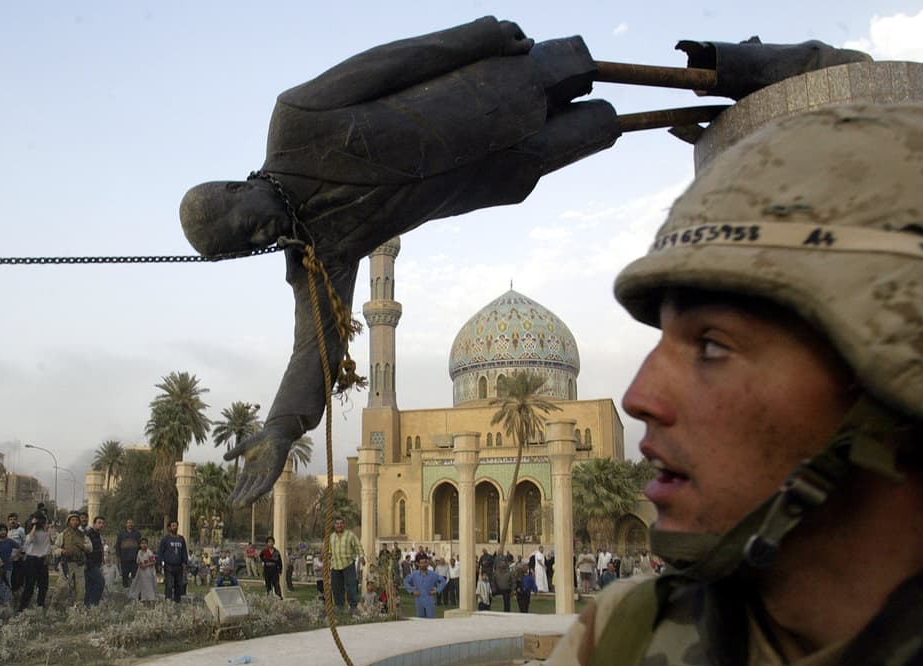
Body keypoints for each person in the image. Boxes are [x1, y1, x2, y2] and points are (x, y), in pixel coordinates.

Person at [487, 103, 923, 666]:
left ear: (901, 394)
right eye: (663, 338)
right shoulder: (621, 645)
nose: (639, 397)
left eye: (712, 345)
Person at [184, 19, 624, 509]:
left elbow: (397, 62)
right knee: (606, 124)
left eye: (249, 224)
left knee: (585, 68)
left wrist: (485, 36)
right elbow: (314, 349)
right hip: (501, 168)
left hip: (483, 92)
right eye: (250, 244)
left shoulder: (295, 120)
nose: (261, 235)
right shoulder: (314, 253)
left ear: (237, 188)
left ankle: (694, 76)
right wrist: (280, 428)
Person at [327, 516, 365, 610]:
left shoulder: (350, 535)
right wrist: (327, 562)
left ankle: (353, 607)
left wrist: (361, 557)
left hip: (348, 564)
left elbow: (358, 546)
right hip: (335, 566)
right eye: (337, 523)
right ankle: (340, 607)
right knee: (337, 588)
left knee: (351, 587)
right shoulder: (331, 537)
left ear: (344, 525)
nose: (339, 525)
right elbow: (329, 551)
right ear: (334, 525)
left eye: (341, 523)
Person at [18, 512, 52, 613]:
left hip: (42, 560)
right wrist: (34, 527)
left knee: (43, 586)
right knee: (29, 585)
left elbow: (48, 547)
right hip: (31, 560)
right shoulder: (30, 534)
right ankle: (22, 607)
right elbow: (29, 540)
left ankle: (40, 606)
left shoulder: (46, 534)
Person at [57, 511, 88, 607]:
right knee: (62, 587)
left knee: (80, 589)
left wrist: (83, 547)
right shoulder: (63, 534)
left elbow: (90, 547)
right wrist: (62, 551)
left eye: (76, 520)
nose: (75, 522)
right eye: (73, 520)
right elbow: (54, 548)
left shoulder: (82, 535)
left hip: (79, 564)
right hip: (66, 563)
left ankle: (78, 609)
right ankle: (55, 606)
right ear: (69, 521)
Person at [403, 553, 447, 619]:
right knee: (420, 620)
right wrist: (412, 591)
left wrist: (437, 590)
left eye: (425, 562)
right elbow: (406, 581)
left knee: (430, 620)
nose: (423, 564)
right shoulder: (414, 574)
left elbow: (443, 581)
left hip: (429, 600)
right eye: (421, 563)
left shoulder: (432, 574)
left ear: (427, 563)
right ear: (418, 564)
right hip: (419, 600)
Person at [156, 520, 189, 603]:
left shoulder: (181, 539)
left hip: (179, 566)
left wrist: (185, 562)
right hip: (169, 566)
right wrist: (159, 563)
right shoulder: (165, 539)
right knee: (169, 584)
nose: (175, 527)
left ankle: (177, 601)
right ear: (169, 528)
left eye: (176, 525)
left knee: (179, 585)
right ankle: (168, 600)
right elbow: (161, 552)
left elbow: (184, 551)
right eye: (173, 526)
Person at [83, 516, 106, 606]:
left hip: (96, 563)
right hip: (90, 564)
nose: (101, 525)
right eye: (99, 523)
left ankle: (87, 606)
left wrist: (102, 559)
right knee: (100, 582)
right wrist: (87, 562)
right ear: (94, 524)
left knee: (90, 586)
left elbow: (100, 549)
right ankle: (93, 604)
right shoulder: (89, 534)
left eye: (103, 523)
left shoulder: (98, 535)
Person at [114, 519, 141, 589]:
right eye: (128, 523)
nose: (130, 524)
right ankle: (125, 589)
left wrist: (140, 556)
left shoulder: (137, 533)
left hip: (134, 558)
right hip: (124, 558)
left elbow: (140, 545)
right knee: (124, 575)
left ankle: (134, 590)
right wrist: (118, 556)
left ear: (133, 524)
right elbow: (117, 545)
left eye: (131, 523)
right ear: (126, 524)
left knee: (135, 575)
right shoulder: (121, 534)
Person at [130, 537, 158, 603]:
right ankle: (143, 598)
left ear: (147, 544)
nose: (144, 545)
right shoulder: (139, 552)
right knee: (141, 584)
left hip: (148, 571)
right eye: (142, 543)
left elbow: (153, 561)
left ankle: (151, 598)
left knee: (148, 585)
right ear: (140, 545)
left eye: (145, 543)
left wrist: (146, 565)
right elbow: (138, 561)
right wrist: (140, 564)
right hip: (141, 571)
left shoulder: (149, 552)